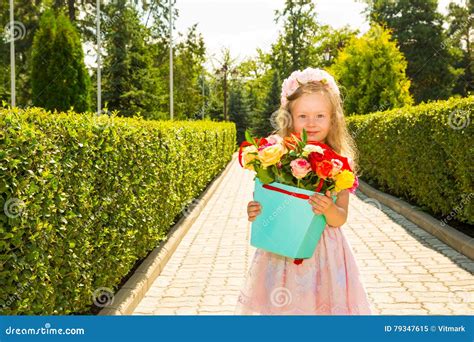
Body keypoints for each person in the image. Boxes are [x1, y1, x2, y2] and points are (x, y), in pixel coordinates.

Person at [234, 67, 373, 315]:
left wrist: (329, 208)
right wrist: (256, 210)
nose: (311, 123)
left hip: (325, 254)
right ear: (290, 119)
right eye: (303, 116)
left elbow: (340, 218)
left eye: (320, 115)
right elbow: (267, 202)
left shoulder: (340, 165)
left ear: (333, 119)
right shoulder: (278, 158)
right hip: (282, 251)